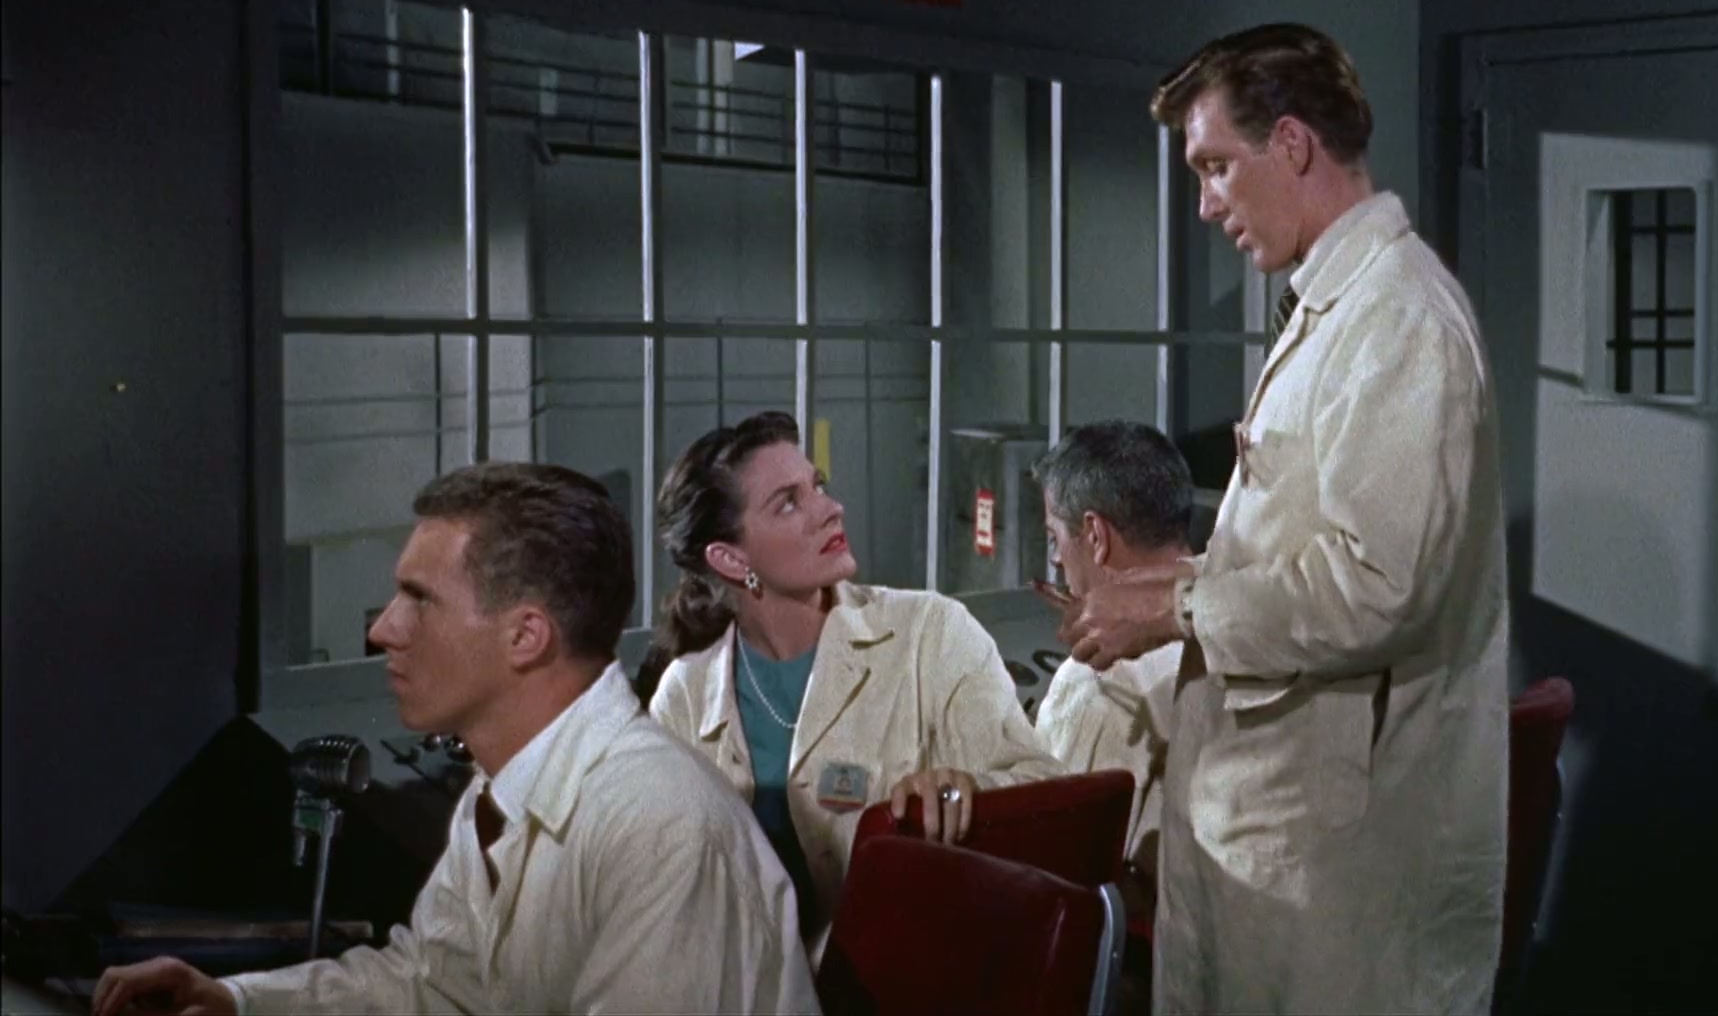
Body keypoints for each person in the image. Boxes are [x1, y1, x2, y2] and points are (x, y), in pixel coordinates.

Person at [1053, 23, 1510, 1013]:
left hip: (1338, 868)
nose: (1206, 203)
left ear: (1293, 144)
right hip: (1286, 841)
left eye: (1216, 166)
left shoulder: (1399, 319)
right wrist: (1172, 587)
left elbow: (1377, 585)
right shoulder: (1338, 307)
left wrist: (1177, 606)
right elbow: (1308, 545)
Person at [92, 463, 819, 1016]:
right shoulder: (500, 797)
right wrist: (237, 1000)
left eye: (420, 600)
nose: (383, 630)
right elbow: (428, 982)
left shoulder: (659, 829)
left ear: (525, 636)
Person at [643, 411, 1062, 952]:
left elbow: (1044, 787)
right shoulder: (684, 696)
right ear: (729, 558)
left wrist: (968, 790)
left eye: (817, 486)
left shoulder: (928, 632)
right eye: (788, 502)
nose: (831, 508)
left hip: (909, 974)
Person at [1029, 420, 1192, 895]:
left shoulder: (1100, 679)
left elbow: (1051, 860)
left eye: (1055, 540)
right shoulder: (1245, 633)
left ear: (1095, 535)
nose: (1056, 561)